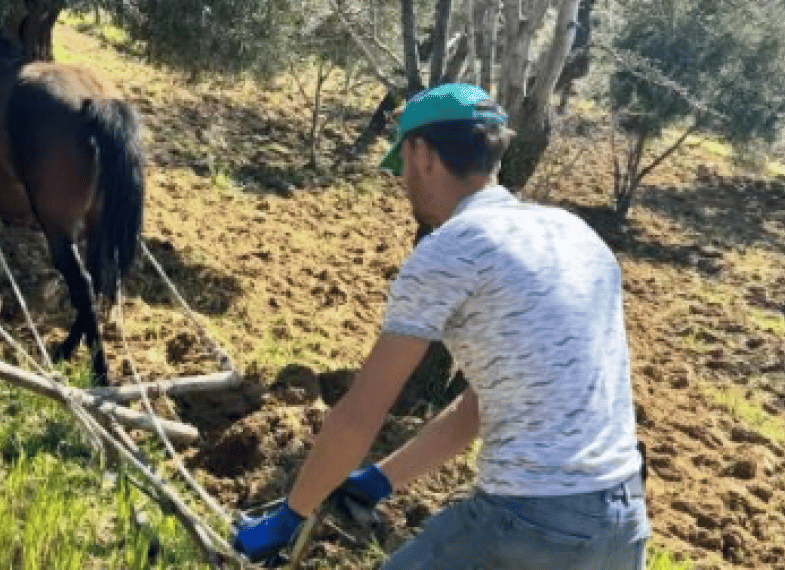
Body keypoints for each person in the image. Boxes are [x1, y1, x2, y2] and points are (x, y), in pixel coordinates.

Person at [233, 84, 650, 568]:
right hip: (622, 521)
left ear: (423, 154)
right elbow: (479, 407)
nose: (403, 180)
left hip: (529, 521)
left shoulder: (453, 248)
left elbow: (361, 412)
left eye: (403, 163)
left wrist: (289, 517)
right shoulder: (574, 234)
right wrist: (381, 480)